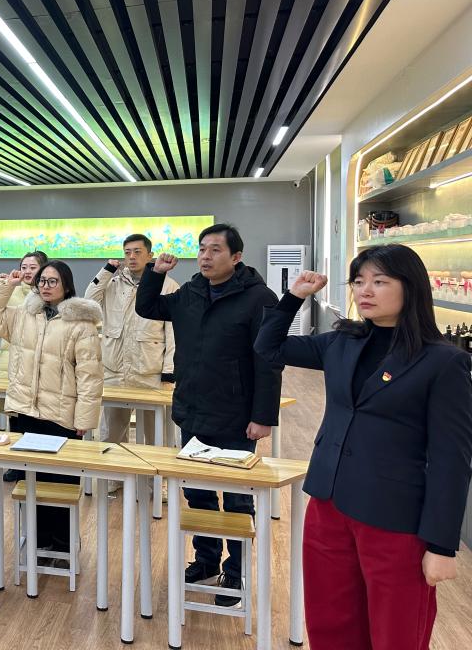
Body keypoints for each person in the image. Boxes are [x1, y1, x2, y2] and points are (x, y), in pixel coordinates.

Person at [255, 245, 472, 650]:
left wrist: (442, 545)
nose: (365, 290)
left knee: (396, 634)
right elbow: (267, 347)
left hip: (395, 519)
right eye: (358, 281)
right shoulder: (343, 341)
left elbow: (452, 460)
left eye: (379, 281)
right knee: (330, 623)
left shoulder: (442, 362)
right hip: (329, 504)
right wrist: (294, 296)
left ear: (410, 287)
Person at [136, 222, 282, 604]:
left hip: (237, 416)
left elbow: (269, 360)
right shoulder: (191, 292)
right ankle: (206, 560)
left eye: (215, 249)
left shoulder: (259, 298)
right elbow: (147, 307)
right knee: (197, 492)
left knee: (237, 498)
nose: (205, 256)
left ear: (236, 257)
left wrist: (263, 416)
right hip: (193, 410)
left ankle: (236, 572)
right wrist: (155, 273)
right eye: (202, 249)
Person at [0, 259, 103, 560]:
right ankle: (38, 541)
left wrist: (84, 419)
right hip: (25, 412)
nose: (46, 286)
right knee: (31, 482)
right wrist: (6, 285)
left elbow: (90, 376)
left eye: (53, 281)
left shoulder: (81, 324)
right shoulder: (25, 315)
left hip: (60, 416)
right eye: (42, 281)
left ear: (66, 286)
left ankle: (63, 544)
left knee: (60, 483)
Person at [85, 234, 176, 447]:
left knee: (155, 434)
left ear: (150, 255)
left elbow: (174, 333)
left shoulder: (167, 285)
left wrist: (169, 372)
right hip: (115, 371)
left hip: (149, 372)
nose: (132, 257)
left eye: (137, 252)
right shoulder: (112, 283)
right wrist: (107, 270)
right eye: (127, 253)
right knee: (111, 434)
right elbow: (89, 300)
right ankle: (114, 470)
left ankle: (154, 470)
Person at [0, 250, 47, 482]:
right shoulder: (12, 290)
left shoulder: (49, 293)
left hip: (40, 363)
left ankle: (39, 462)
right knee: (15, 415)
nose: (27, 271)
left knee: (39, 414)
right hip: (12, 360)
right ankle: (17, 464)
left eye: (33, 267)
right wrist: (1, 284)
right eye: (24, 267)